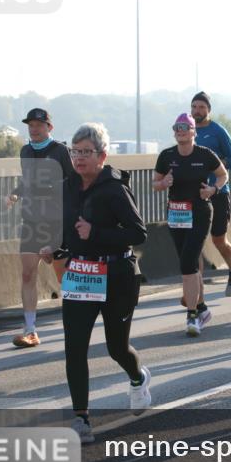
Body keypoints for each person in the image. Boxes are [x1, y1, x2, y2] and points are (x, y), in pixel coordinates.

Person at [43, 123, 150, 443]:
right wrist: (55, 246)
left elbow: (138, 233)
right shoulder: (66, 187)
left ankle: (137, 377)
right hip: (80, 275)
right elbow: (67, 229)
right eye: (75, 152)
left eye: (86, 152)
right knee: (74, 348)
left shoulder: (115, 189)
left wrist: (97, 233)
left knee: (117, 348)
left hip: (117, 275)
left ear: (102, 155)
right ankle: (81, 417)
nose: (79, 158)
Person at [153, 113, 228, 336]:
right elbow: (155, 183)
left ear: (194, 131)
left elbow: (223, 175)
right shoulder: (166, 155)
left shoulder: (204, 154)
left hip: (200, 212)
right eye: (177, 127)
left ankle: (192, 315)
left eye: (185, 127)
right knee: (189, 262)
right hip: (176, 214)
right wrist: (163, 183)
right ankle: (202, 308)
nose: (180, 130)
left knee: (188, 262)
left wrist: (214, 189)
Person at [6, 108, 73, 348]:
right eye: (30, 125)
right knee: (27, 274)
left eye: (39, 125)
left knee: (65, 279)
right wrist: (15, 194)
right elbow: (27, 180)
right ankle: (30, 330)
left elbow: (74, 183)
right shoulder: (25, 150)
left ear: (49, 128)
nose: (34, 129)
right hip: (31, 221)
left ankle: (76, 324)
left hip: (56, 223)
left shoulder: (60, 151)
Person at [190, 92, 231, 296]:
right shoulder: (188, 131)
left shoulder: (217, 131)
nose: (197, 111)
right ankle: (196, 290)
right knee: (195, 241)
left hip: (219, 192)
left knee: (218, 239)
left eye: (202, 107)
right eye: (194, 107)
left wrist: (214, 165)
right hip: (195, 195)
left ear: (209, 110)